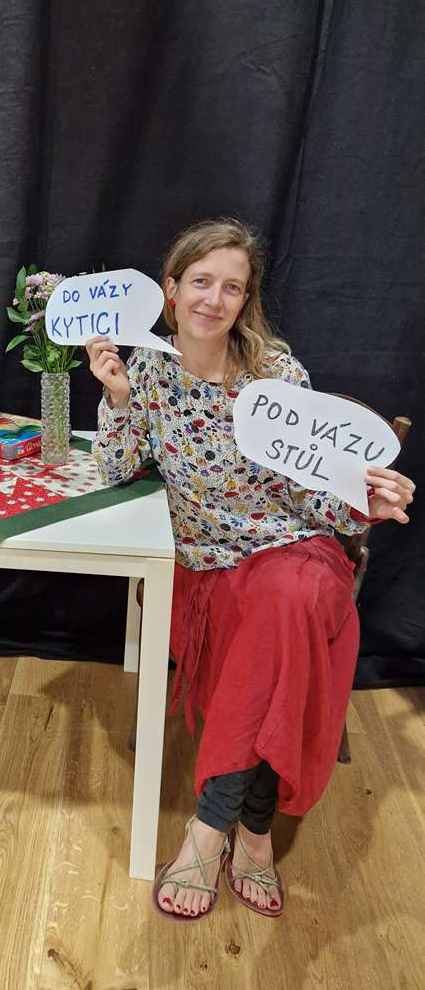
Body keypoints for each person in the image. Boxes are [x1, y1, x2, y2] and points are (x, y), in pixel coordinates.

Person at [87, 218, 415, 923]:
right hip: (205, 565)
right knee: (283, 626)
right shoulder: (147, 368)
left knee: (291, 598)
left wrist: (363, 503)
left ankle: (211, 828)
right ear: (171, 290)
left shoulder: (278, 375)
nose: (214, 299)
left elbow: (313, 492)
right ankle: (255, 833)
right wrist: (116, 397)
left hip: (293, 551)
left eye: (231, 287)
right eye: (201, 282)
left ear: (246, 299)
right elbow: (115, 469)